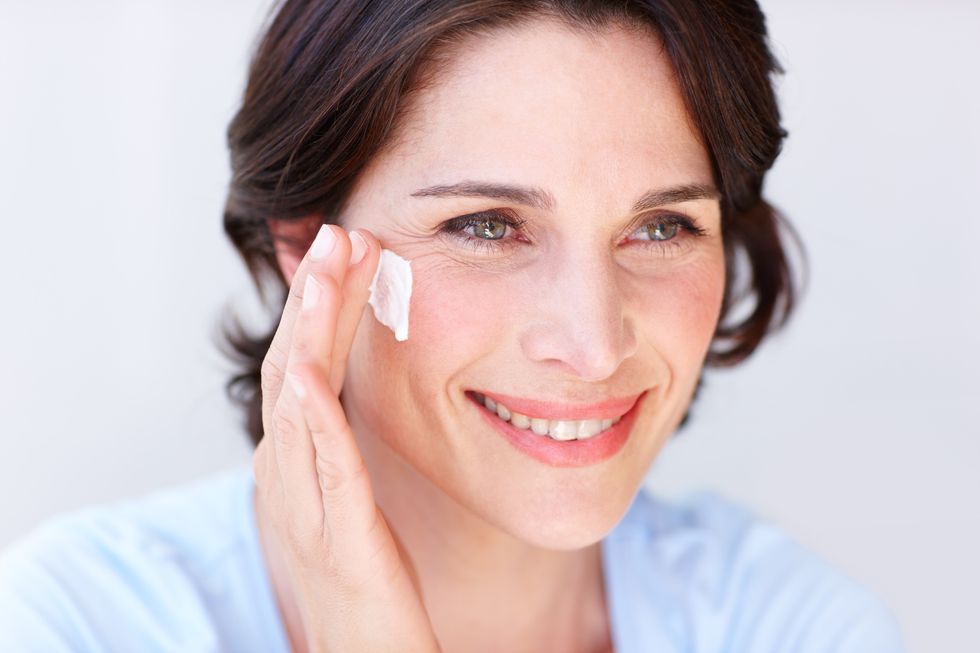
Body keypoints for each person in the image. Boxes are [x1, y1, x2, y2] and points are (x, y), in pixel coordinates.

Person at [0, 1, 905, 651]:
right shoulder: (79, 621)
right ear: (305, 245)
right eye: (486, 226)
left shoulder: (789, 625)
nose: (594, 344)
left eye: (661, 226)